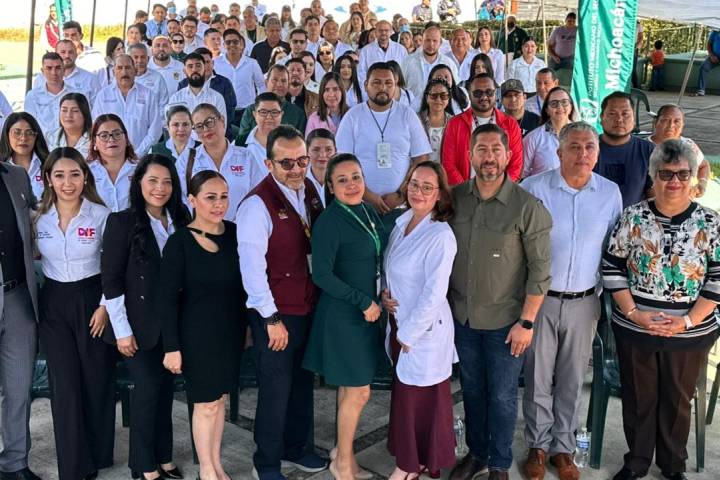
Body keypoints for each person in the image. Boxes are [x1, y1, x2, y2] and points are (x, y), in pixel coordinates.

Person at [602, 139, 720, 480]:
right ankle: (636, 462)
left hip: (690, 333)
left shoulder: (710, 222)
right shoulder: (633, 216)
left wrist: (687, 321)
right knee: (639, 398)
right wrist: (634, 313)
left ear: (693, 177)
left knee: (677, 400)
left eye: (682, 174)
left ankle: (672, 465)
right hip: (636, 328)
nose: (674, 181)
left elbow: (717, 278)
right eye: (665, 174)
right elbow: (611, 268)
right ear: (653, 176)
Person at [448, 124, 552, 480]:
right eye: (482, 149)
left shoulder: (526, 207)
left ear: (508, 156)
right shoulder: (455, 198)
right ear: (470, 155)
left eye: (496, 150)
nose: (489, 157)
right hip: (463, 318)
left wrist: (527, 322)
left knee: (503, 397)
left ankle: (499, 463)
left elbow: (540, 271)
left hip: (507, 325)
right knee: (472, 391)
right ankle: (477, 453)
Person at [520, 122, 622, 480]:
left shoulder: (609, 193)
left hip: (584, 300)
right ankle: (537, 445)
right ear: (559, 152)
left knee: (572, 376)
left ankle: (562, 447)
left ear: (598, 152)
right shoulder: (534, 188)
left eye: (589, 147)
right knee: (537, 376)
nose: (583, 154)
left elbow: (613, 248)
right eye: (574, 147)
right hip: (540, 300)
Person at [236, 126, 327, 480]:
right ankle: (267, 462)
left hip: (307, 305)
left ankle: (296, 448)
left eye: (301, 160)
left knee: (302, 383)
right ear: (269, 164)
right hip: (275, 313)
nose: (296, 168)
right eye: (286, 162)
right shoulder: (256, 205)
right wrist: (271, 319)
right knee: (275, 389)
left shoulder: (310, 190)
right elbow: (252, 269)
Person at [101, 154, 190, 480]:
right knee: (148, 390)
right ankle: (143, 464)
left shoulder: (181, 217)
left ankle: (164, 456)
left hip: (172, 324)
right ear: (139, 183)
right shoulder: (121, 222)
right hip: (137, 326)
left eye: (167, 181)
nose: (160, 188)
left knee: (166, 391)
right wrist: (122, 331)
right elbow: (111, 280)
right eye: (152, 180)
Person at [155, 170, 246, 480]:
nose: (219, 204)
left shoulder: (235, 234)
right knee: (205, 404)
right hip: (197, 337)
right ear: (192, 200)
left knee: (219, 401)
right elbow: (166, 299)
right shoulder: (179, 242)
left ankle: (216, 464)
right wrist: (171, 347)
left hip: (230, 333)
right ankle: (206, 470)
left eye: (223, 197)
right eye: (210, 197)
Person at [35, 147, 116, 480]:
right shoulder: (37, 217)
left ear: (85, 178)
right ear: (48, 180)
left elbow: (114, 266)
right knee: (65, 384)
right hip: (54, 303)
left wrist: (105, 306)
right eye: (59, 175)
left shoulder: (101, 215)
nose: (67, 183)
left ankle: (99, 454)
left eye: (74, 175)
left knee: (96, 380)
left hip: (93, 300)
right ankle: (74, 465)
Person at [303, 154, 385, 480]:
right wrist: (362, 301)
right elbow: (321, 275)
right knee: (359, 392)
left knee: (350, 391)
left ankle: (342, 454)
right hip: (345, 315)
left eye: (356, 177)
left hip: (367, 313)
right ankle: (342, 465)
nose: (351, 185)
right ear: (330, 186)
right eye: (342, 180)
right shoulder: (330, 221)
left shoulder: (367, 210)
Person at [381, 161, 457, 479]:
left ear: (439, 194)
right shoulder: (402, 223)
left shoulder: (440, 235)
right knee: (408, 399)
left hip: (422, 331)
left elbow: (434, 293)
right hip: (400, 323)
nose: (419, 191)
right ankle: (417, 460)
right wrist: (384, 293)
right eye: (414, 184)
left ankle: (407, 467)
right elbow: (390, 267)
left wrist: (408, 334)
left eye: (427, 187)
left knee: (419, 400)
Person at [336, 63, 431, 217]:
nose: (383, 88)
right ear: (366, 85)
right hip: (360, 204)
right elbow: (342, 162)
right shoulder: (352, 117)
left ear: (395, 86)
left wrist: (401, 194)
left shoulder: (407, 115)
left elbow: (421, 159)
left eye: (388, 83)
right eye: (376, 83)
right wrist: (367, 195)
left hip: (401, 206)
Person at [0, 146, 41, 480]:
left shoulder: (16, 175)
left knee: (19, 386)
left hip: (17, 297)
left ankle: (15, 463)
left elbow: (36, 220)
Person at [176, 103, 266, 219]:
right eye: (199, 126)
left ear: (222, 121)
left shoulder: (246, 157)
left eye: (209, 122)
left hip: (241, 226)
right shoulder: (187, 159)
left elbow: (259, 194)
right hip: (201, 228)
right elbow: (181, 198)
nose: (205, 129)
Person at [442, 73, 523, 185]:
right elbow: (448, 164)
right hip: (464, 191)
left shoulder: (511, 124)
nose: (484, 97)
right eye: (478, 93)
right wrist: (466, 191)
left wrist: (499, 190)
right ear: (469, 94)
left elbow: (516, 165)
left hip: (501, 192)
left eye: (489, 92)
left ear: (495, 93)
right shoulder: (455, 124)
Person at [92, 54, 163, 156]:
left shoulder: (148, 95)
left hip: (141, 157)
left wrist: (138, 154)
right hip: (110, 156)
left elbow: (155, 130)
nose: (124, 72)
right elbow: (97, 127)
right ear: (113, 72)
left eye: (128, 67)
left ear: (135, 71)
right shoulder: (103, 96)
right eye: (120, 68)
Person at [594, 91, 655, 207]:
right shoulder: (587, 148)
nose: (619, 119)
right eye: (612, 113)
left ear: (634, 118)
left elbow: (653, 194)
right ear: (601, 117)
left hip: (634, 217)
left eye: (625, 114)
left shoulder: (648, 151)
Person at [648, 104, 710, 197]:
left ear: (682, 125)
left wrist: (702, 183)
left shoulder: (688, 145)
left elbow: (703, 165)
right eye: (665, 120)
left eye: (677, 121)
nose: (671, 125)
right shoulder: (642, 147)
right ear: (656, 122)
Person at [235, 65, 307, 145]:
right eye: (275, 80)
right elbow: (242, 141)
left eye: (283, 81)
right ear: (266, 83)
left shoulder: (298, 113)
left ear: (288, 84)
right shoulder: (251, 110)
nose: (279, 84)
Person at [178, 48, 238, 133]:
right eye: (201, 64)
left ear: (212, 63)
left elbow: (229, 112)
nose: (205, 66)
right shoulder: (183, 84)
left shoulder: (224, 83)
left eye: (207, 62)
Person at [87, 114, 138, 212]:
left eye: (117, 134)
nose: (111, 139)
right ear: (94, 142)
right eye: (104, 136)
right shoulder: (86, 172)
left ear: (126, 139)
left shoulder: (140, 169)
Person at [522, 86, 576, 178]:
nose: (560, 107)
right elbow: (521, 173)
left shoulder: (582, 135)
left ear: (571, 107)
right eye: (554, 103)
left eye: (564, 102)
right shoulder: (533, 138)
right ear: (547, 110)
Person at [213, 29, 265, 119]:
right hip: (224, 111)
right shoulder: (216, 63)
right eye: (228, 42)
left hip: (248, 110)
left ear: (241, 44)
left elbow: (261, 85)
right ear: (224, 45)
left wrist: (260, 105)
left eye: (235, 42)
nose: (232, 45)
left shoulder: (252, 63)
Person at [168, 53, 228, 131]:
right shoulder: (176, 99)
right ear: (184, 71)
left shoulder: (217, 97)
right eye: (190, 66)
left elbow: (221, 128)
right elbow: (174, 129)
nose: (194, 70)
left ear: (204, 69)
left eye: (198, 66)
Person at [24, 52, 78, 137]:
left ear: (64, 70)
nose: (54, 72)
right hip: (42, 142)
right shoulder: (33, 96)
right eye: (49, 68)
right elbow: (29, 124)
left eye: (58, 68)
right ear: (42, 71)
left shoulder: (77, 94)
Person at [401, 26, 458, 100]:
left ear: (440, 42)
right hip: (413, 107)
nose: (431, 44)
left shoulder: (449, 64)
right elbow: (400, 88)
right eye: (428, 40)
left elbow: (455, 88)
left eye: (435, 41)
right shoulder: (408, 62)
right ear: (422, 41)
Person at [1, 112, 49, 199]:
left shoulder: (49, 165)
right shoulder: (1, 167)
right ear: (7, 134)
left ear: (36, 136)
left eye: (29, 133)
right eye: (17, 132)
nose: (23, 138)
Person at [45, 92, 92, 157]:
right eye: (64, 110)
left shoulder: (94, 138)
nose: (68, 115)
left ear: (85, 114)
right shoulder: (50, 137)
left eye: (75, 111)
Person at [243, 93, 284, 166]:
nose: (269, 117)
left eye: (274, 112)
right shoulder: (239, 143)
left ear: (281, 115)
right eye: (263, 112)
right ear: (255, 115)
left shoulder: (294, 142)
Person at [418, 78, 453, 163]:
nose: (438, 99)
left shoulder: (455, 123)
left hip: (446, 170)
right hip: (421, 169)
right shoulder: (415, 120)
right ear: (427, 97)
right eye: (434, 95)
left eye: (443, 96)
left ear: (448, 99)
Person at [129, 43, 170, 109]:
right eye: (136, 57)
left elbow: (164, 105)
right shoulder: (124, 78)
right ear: (129, 60)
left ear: (148, 59)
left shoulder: (157, 78)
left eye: (143, 57)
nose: (140, 61)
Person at [305, 128, 335, 206]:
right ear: (306, 152)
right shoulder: (299, 181)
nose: (322, 155)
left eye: (328, 149)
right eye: (316, 150)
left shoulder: (342, 180)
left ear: (335, 151)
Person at [693, 29, 720, 96]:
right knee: (704, 67)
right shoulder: (715, 31)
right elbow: (709, 45)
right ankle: (701, 90)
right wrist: (712, 56)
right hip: (714, 56)